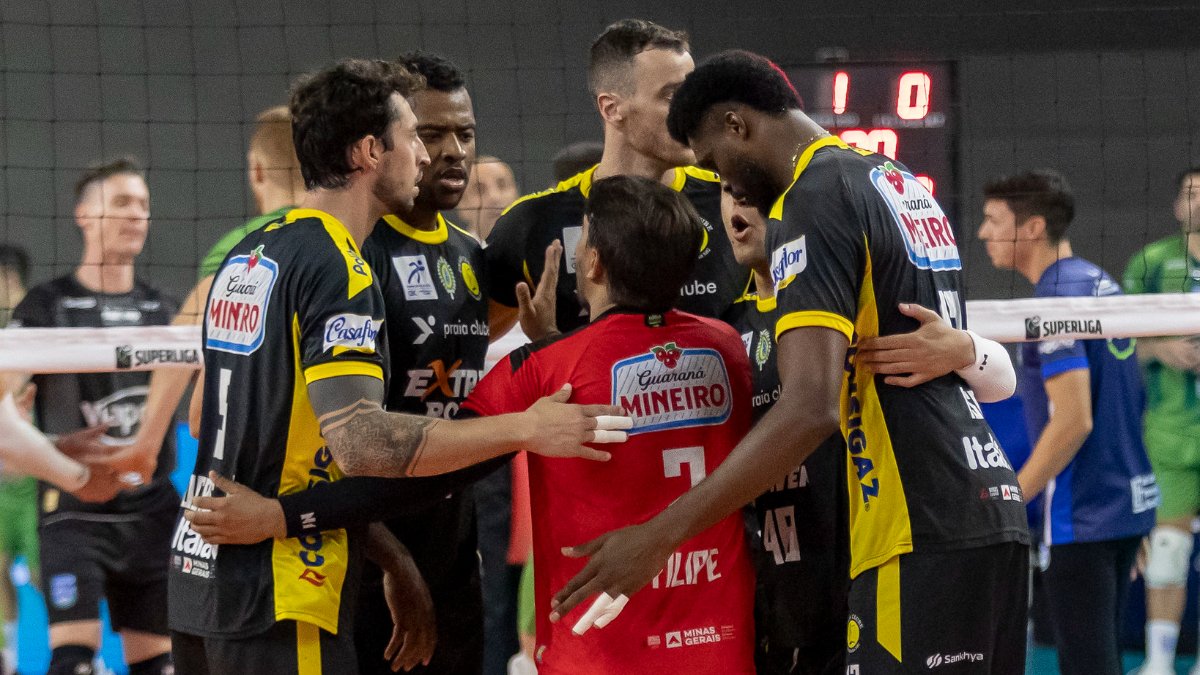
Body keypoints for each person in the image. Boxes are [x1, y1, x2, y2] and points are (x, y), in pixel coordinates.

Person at [551, 50, 1032, 673]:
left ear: (736, 125)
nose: (725, 184)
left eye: (716, 162)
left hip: (911, 525)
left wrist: (656, 538)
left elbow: (809, 408)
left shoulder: (815, 194)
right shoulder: (894, 178)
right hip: (987, 509)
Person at [168, 58, 625, 675]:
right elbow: (360, 441)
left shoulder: (252, 252)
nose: (429, 155)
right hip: (286, 582)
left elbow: (241, 423)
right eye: (415, 136)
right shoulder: (341, 264)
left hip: (206, 581)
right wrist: (524, 428)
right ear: (368, 152)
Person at [720, 184, 1017, 673]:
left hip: (875, 565)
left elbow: (1000, 379)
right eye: (728, 193)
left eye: (753, 193)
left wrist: (965, 348)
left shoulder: (846, 300)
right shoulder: (725, 327)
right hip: (782, 585)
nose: (739, 205)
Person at [465, 174, 756, 674]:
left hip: (598, 656)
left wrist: (545, 353)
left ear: (594, 262)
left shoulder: (544, 367)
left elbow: (447, 451)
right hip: (719, 650)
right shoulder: (729, 347)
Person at [978, 169, 1157, 674]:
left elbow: (1074, 420)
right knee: (1103, 659)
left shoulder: (1054, 301)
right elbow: (1124, 399)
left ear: (1032, 228)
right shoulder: (1101, 283)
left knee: (1087, 664)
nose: (983, 233)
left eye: (994, 220)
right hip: (1124, 502)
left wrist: (1011, 501)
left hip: (1083, 513)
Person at [10, 158, 178, 675]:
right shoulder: (47, 305)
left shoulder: (164, 309)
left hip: (151, 506)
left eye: (145, 206)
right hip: (76, 508)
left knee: (159, 664)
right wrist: (37, 436)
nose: (137, 216)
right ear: (85, 214)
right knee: (74, 660)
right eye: (123, 203)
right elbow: (8, 403)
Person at [484, 19, 748, 336]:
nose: (691, 111)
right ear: (611, 109)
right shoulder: (531, 224)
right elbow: (467, 341)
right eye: (671, 96)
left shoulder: (736, 198)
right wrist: (547, 352)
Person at [102, 105, 304, 485]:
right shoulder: (348, 237)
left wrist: (145, 444)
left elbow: (183, 338)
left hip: (253, 457)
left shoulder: (241, 245)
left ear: (256, 169)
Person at [1125, 166, 1200, 675]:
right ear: (1176, 205)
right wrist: (1160, 347)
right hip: (1170, 428)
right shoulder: (1152, 263)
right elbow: (1119, 345)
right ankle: (1158, 663)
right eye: (1191, 193)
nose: (1199, 202)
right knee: (1169, 548)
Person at [455, 156, 519, 242]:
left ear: (517, 194)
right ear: (462, 205)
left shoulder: (539, 248)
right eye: (479, 189)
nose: (494, 197)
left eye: (502, 185)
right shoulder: (450, 253)